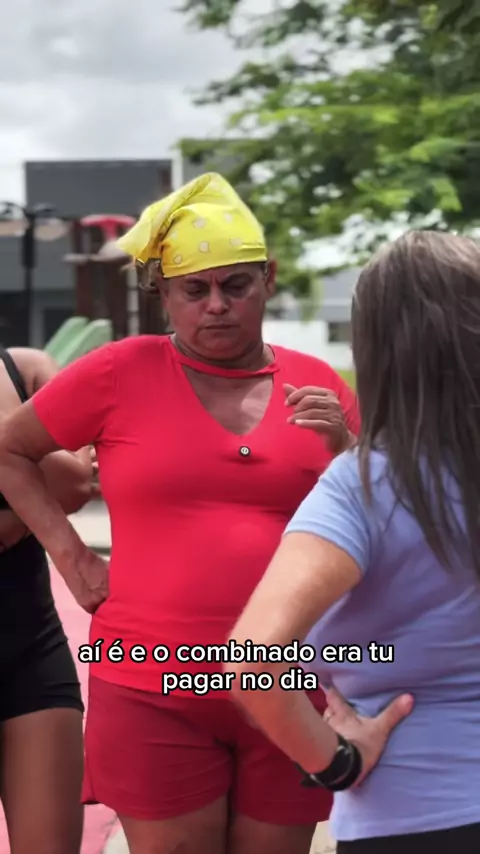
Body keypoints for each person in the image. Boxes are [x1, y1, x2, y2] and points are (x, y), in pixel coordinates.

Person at [0, 172, 359, 854]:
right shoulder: (118, 372)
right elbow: (10, 451)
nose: (216, 305)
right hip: (150, 685)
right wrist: (70, 555)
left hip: (292, 683)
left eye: (235, 285)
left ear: (268, 280)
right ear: (163, 294)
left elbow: (381, 514)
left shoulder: (320, 385)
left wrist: (345, 451)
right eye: (195, 290)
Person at [223, 230, 480, 854]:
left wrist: (336, 762)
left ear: (375, 349)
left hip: (417, 815)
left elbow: (251, 664)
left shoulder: (364, 486)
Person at [0, 346, 94, 854]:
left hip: (31, 648)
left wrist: (15, 516)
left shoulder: (27, 369)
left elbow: (76, 483)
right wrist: (26, 498)